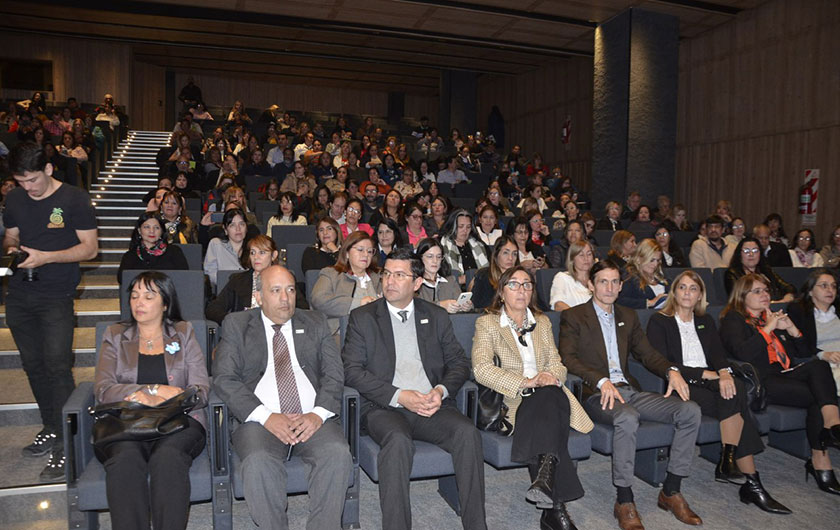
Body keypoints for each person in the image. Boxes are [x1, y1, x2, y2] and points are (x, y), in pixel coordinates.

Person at [342, 246, 487, 530]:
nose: (389, 281)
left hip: (430, 404)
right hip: (384, 406)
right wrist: (399, 395)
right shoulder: (363, 318)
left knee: (468, 433)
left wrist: (441, 391)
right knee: (397, 442)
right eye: (386, 274)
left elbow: (459, 363)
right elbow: (351, 371)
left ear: (417, 283)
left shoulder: (435, 316)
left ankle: (476, 525)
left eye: (399, 275)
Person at [559, 261, 703, 530]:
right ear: (591, 284)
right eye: (603, 281)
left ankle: (671, 490)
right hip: (595, 394)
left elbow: (647, 354)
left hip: (629, 390)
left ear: (621, 286)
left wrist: (671, 370)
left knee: (690, 410)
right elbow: (568, 358)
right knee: (627, 416)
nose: (609, 287)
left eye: (615, 282)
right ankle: (624, 499)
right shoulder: (575, 316)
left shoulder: (629, 315)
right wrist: (601, 380)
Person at [212, 265, 353, 528]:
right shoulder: (237, 324)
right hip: (258, 419)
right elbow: (224, 378)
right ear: (259, 296)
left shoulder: (315, 321)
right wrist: (266, 417)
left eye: (289, 290)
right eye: (275, 291)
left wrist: (318, 414)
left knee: (337, 453)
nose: (285, 298)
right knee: (258, 462)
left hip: (310, 414)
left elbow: (335, 374)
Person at [646, 271, 791, 513]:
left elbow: (717, 355)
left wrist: (723, 372)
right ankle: (747, 479)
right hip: (680, 383)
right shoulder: (660, 321)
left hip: (711, 380)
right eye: (682, 287)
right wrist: (706, 374)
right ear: (674, 292)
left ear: (700, 294)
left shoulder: (705, 321)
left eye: (693, 288)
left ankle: (731, 462)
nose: (687, 293)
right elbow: (660, 362)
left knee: (734, 388)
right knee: (736, 398)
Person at [3, 142, 98, 481]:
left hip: (57, 295)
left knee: (58, 368)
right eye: (20, 181)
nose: (27, 188)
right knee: (34, 366)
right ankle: (51, 427)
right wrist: (13, 248)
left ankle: (69, 441)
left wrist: (46, 257)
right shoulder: (14, 199)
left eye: (31, 180)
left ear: (48, 169)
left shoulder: (74, 199)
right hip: (19, 294)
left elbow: (90, 248)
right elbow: (11, 235)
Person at [472, 266, 593, 529]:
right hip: (514, 400)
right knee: (548, 400)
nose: (521, 290)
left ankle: (547, 489)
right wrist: (527, 382)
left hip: (548, 393)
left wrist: (552, 376)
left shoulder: (543, 323)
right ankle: (553, 505)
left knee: (550, 394)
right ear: (502, 292)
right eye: (513, 284)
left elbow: (557, 363)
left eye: (526, 284)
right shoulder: (488, 323)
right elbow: (481, 369)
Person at [94, 272, 210, 530]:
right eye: (134, 296)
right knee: (125, 459)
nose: (139, 302)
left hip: (179, 422)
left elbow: (201, 390)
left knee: (167, 457)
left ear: (165, 303)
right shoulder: (115, 335)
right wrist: (149, 392)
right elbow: (103, 389)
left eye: (148, 296)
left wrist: (168, 393)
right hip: (125, 422)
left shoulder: (183, 333)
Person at [720, 273, 840, 496]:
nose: (765, 295)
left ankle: (832, 426)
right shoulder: (734, 319)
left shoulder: (772, 316)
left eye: (766, 290)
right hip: (760, 380)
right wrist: (767, 329)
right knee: (818, 396)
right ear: (742, 296)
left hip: (784, 373)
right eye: (757, 291)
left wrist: (792, 329)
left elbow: (804, 354)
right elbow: (742, 353)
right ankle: (820, 458)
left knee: (819, 367)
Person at [310, 231, 381, 335]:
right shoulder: (331, 274)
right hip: (341, 334)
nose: (366, 255)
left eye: (370, 251)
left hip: (375, 334)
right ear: (347, 253)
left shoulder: (379, 276)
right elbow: (318, 300)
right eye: (360, 250)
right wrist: (358, 303)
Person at [787, 269, 840, 396]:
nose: (830, 290)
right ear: (810, 291)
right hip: (824, 363)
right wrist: (822, 354)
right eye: (824, 285)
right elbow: (800, 345)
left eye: (833, 286)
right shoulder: (798, 311)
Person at [206, 235, 278, 325]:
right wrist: (233, 321)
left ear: (274, 255)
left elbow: (300, 310)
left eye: (262, 252)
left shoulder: (285, 280)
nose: (256, 257)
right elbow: (213, 309)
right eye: (252, 253)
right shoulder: (238, 280)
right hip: (244, 331)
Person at [118, 213, 188, 282]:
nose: (152, 231)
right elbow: (123, 279)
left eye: (156, 227)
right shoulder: (130, 256)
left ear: (161, 231)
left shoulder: (174, 251)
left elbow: (184, 277)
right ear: (139, 230)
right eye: (147, 227)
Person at [724, 237, 795, 303]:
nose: (751, 254)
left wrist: (788, 296)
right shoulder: (732, 273)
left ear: (760, 253)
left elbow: (788, 287)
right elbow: (739, 298)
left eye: (755, 250)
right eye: (746, 251)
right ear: (739, 254)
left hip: (775, 305)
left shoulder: (766, 270)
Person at [415, 238, 472, 313]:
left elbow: (460, 303)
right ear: (420, 258)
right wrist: (440, 305)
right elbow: (415, 307)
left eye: (438, 257)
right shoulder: (414, 282)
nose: (435, 261)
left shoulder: (451, 281)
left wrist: (467, 306)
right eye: (430, 256)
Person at [440, 208, 490, 284]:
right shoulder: (441, 246)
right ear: (452, 227)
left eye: (468, 227)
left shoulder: (479, 245)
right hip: (454, 289)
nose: (465, 230)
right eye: (460, 226)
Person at [617, 239, 670, 310]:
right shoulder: (629, 277)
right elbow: (620, 301)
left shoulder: (661, 277)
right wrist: (649, 303)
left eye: (658, 260)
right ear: (639, 259)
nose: (655, 264)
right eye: (651, 260)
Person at [470, 236, 520, 310]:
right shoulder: (483, 276)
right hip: (490, 318)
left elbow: (537, 305)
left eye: (514, 254)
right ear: (496, 255)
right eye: (505, 253)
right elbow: (478, 305)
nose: (510, 258)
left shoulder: (522, 277)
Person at [204, 208, 248, 289]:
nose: (238, 229)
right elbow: (210, 274)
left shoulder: (253, 248)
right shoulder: (216, 244)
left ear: (246, 227)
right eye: (232, 225)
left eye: (241, 224)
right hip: (223, 292)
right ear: (225, 230)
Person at [550, 240, 595, 312]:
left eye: (589, 254)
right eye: (581, 255)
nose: (586, 258)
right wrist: (577, 317)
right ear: (572, 259)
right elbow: (558, 305)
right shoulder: (562, 277)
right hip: (574, 321)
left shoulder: (597, 280)